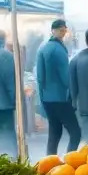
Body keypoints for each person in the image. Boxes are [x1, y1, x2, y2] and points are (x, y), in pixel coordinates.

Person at [35, 19, 81, 155]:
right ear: (54, 30)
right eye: (62, 30)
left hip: (47, 99)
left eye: (64, 30)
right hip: (61, 98)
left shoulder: (42, 48)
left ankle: (50, 163)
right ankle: (69, 161)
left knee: (55, 132)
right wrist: (73, 95)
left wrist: (42, 97)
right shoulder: (59, 50)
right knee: (75, 132)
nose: (63, 33)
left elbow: (40, 77)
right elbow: (66, 78)